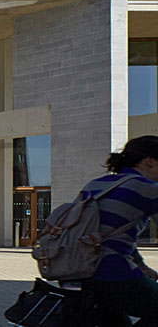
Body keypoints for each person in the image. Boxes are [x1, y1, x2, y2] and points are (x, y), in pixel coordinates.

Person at [81, 135, 158, 327]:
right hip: (112, 273)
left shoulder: (96, 184)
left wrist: (141, 265)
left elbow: (109, 232)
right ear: (149, 161)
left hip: (79, 272)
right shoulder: (147, 188)